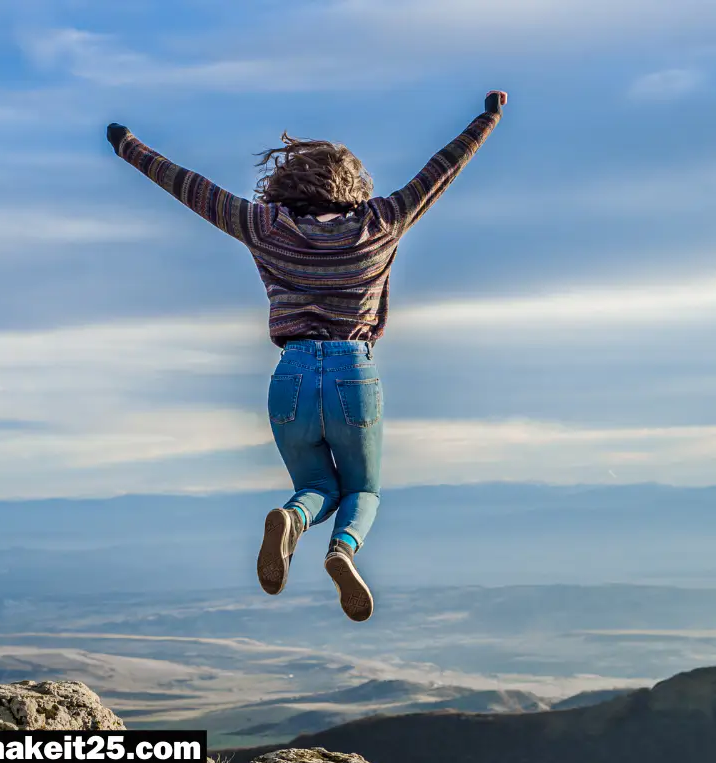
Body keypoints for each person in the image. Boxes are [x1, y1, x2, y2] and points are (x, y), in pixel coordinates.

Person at [106, 90, 507, 622]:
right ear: (354, 186)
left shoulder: (265, 226)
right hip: (353, 371)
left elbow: (191, 188)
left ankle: (294, 520)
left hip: (290, 376)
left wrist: (128, 146)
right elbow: (440, 170)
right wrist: (487, 118)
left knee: (316, 486)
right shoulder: (381, 222)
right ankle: (342, 552)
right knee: (363, 488)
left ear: (284, 185)